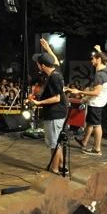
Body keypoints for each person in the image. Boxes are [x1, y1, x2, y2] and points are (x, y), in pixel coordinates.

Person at [28, 38, 67, 175]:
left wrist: (39, 103)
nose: (37, 65)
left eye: (38, 63)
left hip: (55, 114)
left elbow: (56, 98)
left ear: (42, 65)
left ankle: (54, 169)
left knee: (54, 144)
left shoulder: (54, 77)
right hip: (57, 113)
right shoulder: (56, 72)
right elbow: (55, 61)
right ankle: (61, 165)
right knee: (57, 143)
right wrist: (48, 49)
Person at [67, 45, 107, 156]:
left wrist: (79, 92)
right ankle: (84, 142)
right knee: (91, 123)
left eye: (93, 58)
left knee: (96, 125)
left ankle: (97, 149)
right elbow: (106, 61)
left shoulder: (99, 75)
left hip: (96, 102)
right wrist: (99, 51)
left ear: (98, 59)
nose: (91, 61)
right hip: (100, 101)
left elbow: (96, 92)